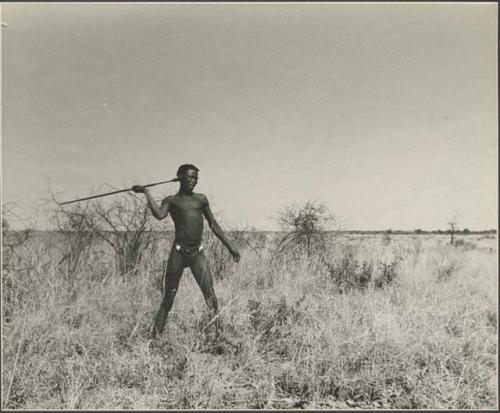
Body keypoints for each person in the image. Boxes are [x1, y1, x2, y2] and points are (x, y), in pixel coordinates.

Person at [132, 164, 240, 338]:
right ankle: (155, 338)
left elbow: (213, 224)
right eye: (189, 177)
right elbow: (159, 215)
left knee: (211, 296)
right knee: (168, 298)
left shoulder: (201, 199)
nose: (193, 181)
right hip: (179, 252)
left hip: (197, 253)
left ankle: (219, 338)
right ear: (180, 177)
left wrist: (230, 246)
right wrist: (146, 193)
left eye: (195, 178)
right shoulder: (171, 200)